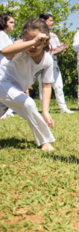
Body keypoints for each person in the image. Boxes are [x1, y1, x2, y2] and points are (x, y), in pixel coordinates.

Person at [0, 18, 56, 151]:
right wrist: (33, 41)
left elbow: (46, 85)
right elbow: (5, 52)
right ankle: (45, 141)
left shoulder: (47, 60)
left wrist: (46, 111)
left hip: (14, 90)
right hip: (2, 82)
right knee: (28, 103)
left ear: (45, 41)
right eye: (27, 40)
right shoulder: (21, 51)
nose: (32, 46)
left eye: (37, 42)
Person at [38, 13, 73, 114]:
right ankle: (45, 109)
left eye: (52, 21)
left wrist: (61, 48)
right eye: (50, 20)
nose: (52, 23)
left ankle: (63, 108)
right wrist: (51, 50)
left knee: (58, 86)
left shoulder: (53, 35)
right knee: (43, 87)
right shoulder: (38, 34)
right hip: (43, 63)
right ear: (43, 21)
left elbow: (56, 50)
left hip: (54, 63)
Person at [0, 12, 15, 119]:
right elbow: (4, 51)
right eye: (11, 22)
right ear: (3, 23)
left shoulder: (7, 36)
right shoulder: (1, 34)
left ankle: (7, 111)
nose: (13, 24)